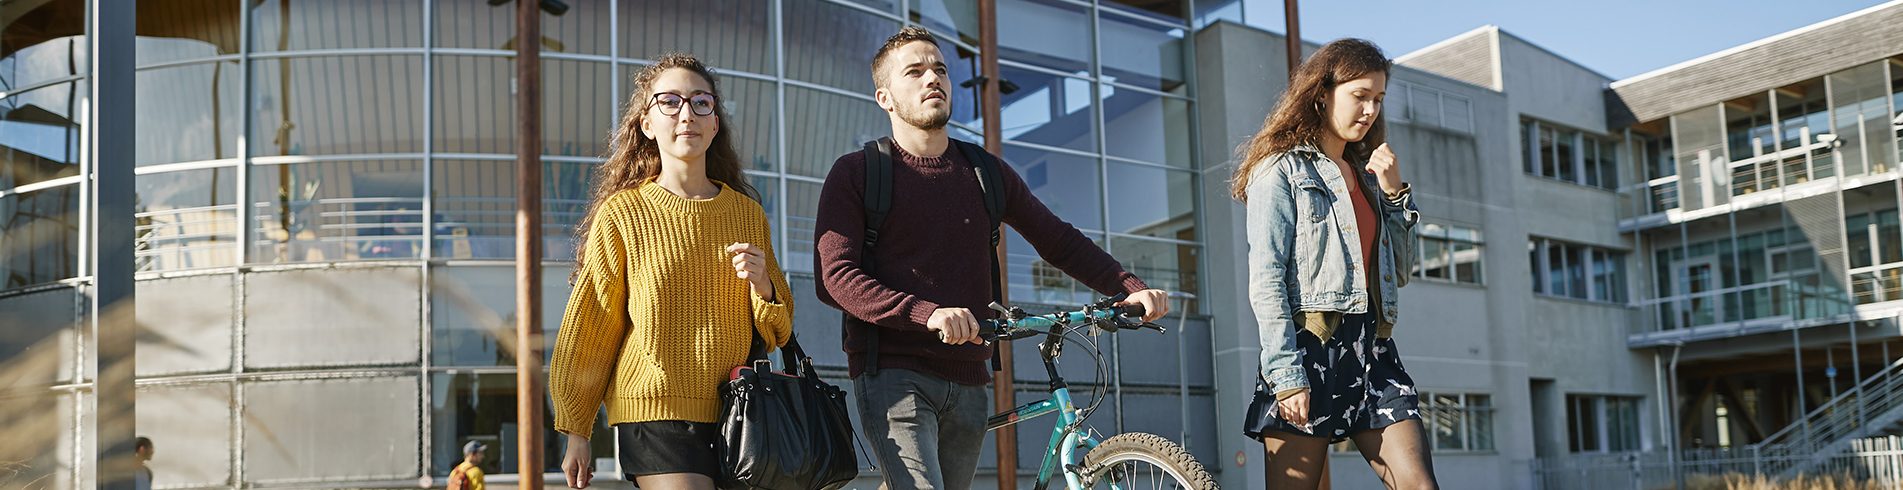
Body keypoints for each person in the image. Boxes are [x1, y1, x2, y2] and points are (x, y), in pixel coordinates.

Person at [812, 26, 1172, 490]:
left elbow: (1057, 240)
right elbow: (835, 278)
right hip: (894, 374)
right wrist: (928, 314)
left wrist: (1128, 287)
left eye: (940, 69)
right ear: (885, 97)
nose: (932, 79)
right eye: (915, 72)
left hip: (969, 375)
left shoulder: (985, 172)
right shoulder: (858, 173)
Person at [549, 53, 793, 490]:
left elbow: (778, 327)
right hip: (653, 409)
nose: (687, 114)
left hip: (742, 411)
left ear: (715, 123)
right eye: (670, 102)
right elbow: (592, 324)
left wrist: (764, 285)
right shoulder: (624, 213)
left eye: (701, 102)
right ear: (646, 123)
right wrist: (577, 429)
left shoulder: (747, 213)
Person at [1230, 38, 1436, 489]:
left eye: (1378, 99)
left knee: (1419, 484)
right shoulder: (1280, 171)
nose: (1369, 110)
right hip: (1309, 348)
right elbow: (1266, 280)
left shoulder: (1366, 178)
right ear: (1322, 94)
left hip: (1372, 348)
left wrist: (1395, 195)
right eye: (1359, 96)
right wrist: (1285, 375)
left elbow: (1399, 273)